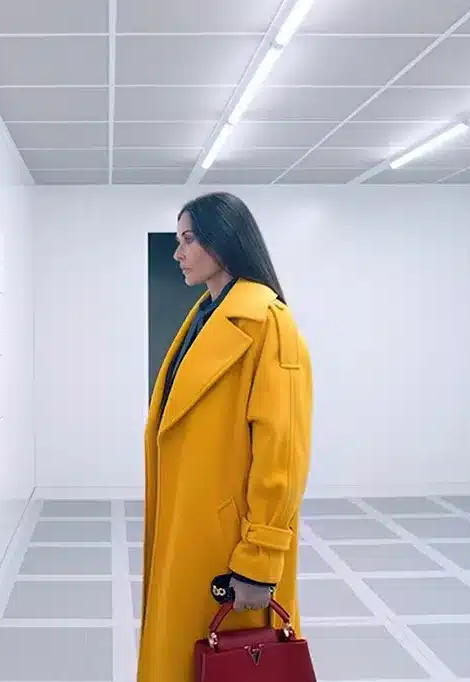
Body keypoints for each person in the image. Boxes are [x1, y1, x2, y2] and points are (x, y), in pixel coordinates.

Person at [136, 191, 313, 681]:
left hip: (228, 543)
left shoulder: (268, 324)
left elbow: (284, 448)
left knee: (230, 663)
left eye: (188, 239)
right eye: (178, 240)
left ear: (224, 240)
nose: (178, 253)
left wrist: (259, 557)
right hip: (187, 527)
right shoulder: (202, 315)